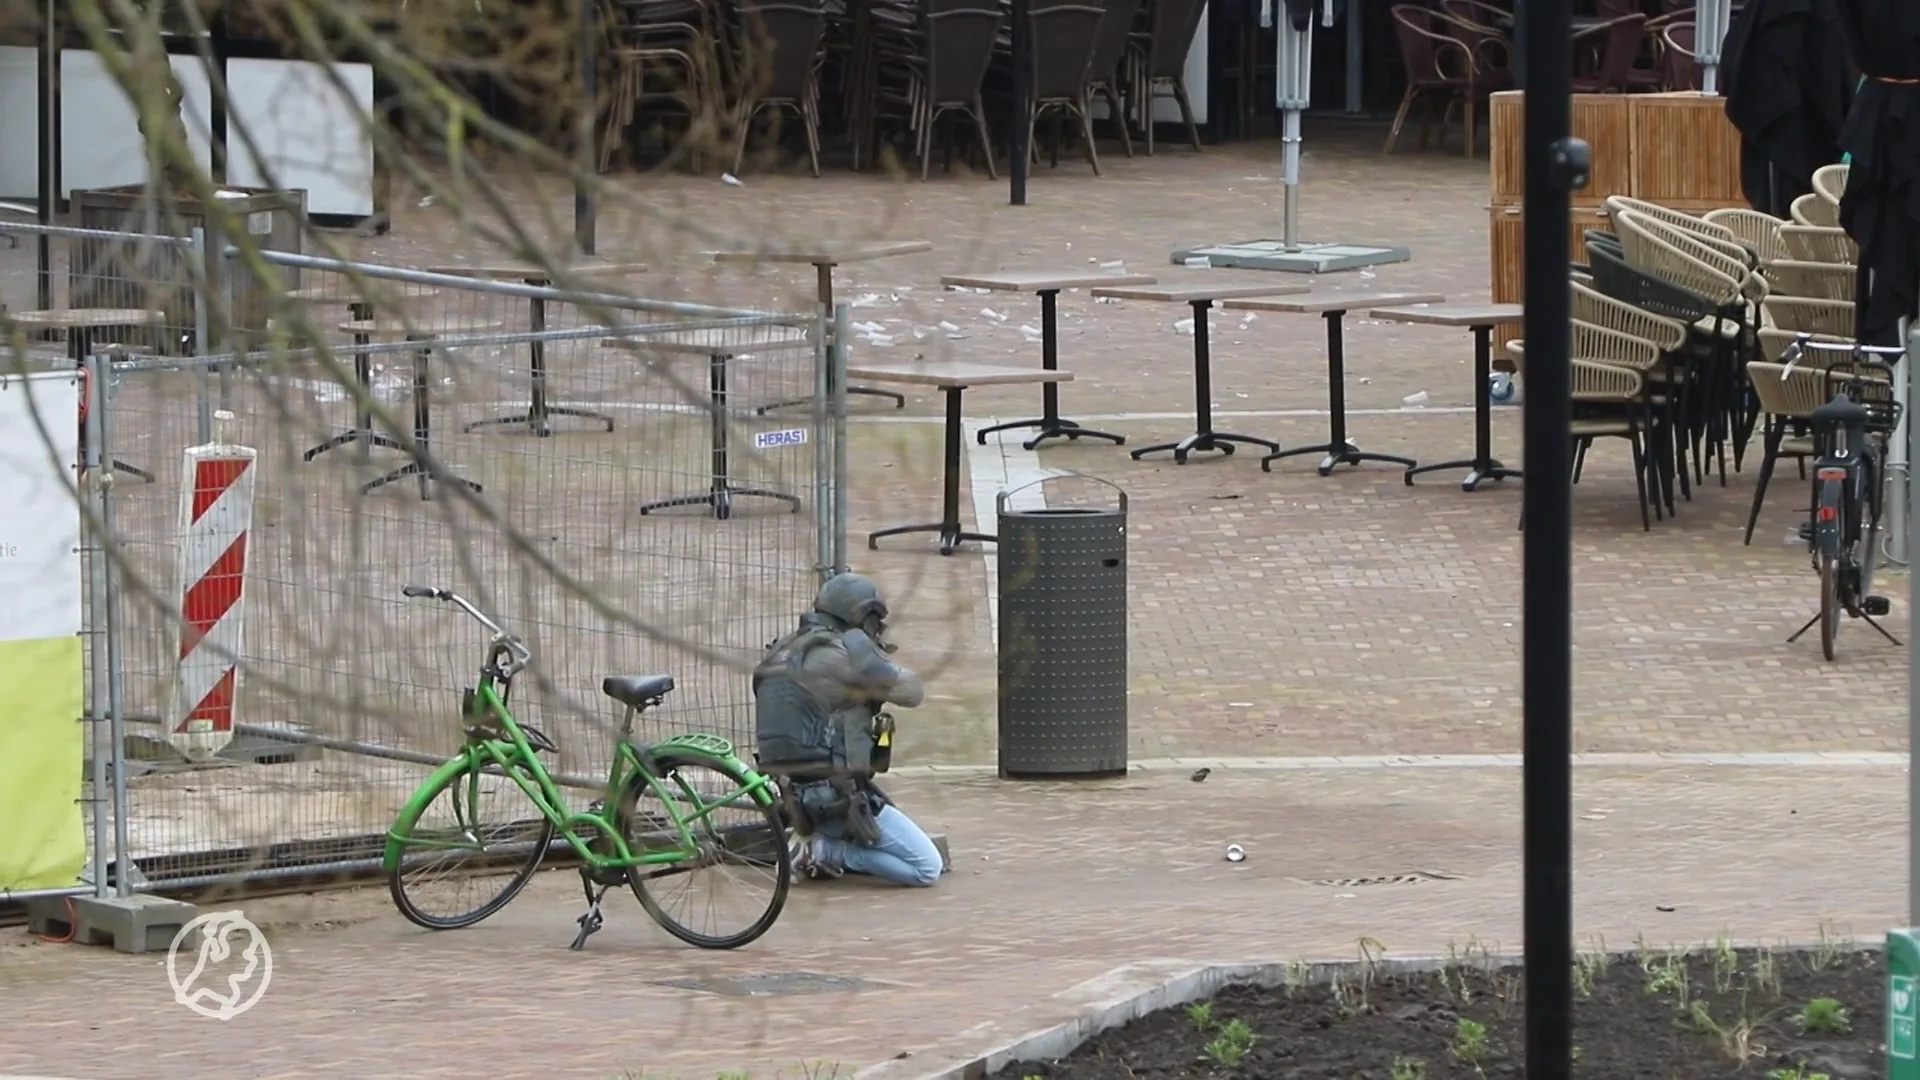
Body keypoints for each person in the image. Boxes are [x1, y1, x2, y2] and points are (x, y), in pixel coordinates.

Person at [752, 572, 943, 887]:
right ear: (863, 615)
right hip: (836, 794)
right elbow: (912, 692)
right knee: (926, 867)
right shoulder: (848, 651)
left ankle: (815, 843)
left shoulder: (783, 648)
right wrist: (874, 655)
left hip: (791, 792)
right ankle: (826, 851)